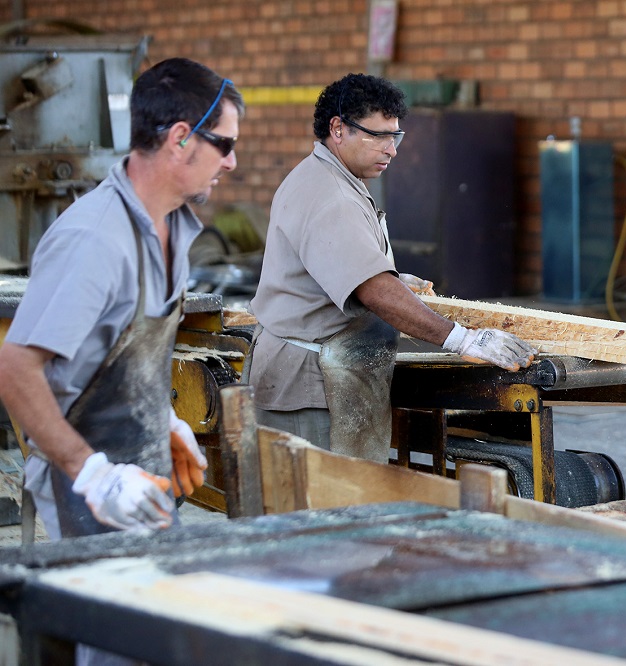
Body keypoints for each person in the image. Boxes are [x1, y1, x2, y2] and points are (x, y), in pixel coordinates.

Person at [0, 58, 244, 540]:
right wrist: (94, 474)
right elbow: (15, 368)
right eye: (225, 144)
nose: (232, 162)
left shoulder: (172, 224)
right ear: (179, 138)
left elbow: (124, 357)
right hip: (88, 486)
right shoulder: (95, 240)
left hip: (144, 476)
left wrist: (163, 421)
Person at [247, 73, 536, 461]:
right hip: (309, 385)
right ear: (338, 129)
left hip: (319, 372)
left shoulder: (330, 177)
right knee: (323, 510)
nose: (392, 150)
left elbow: (344, 268)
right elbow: (373, 292)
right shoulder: (330, 195)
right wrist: (462, 340)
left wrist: (391, 278)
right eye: (379, 136)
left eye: (395, 137)